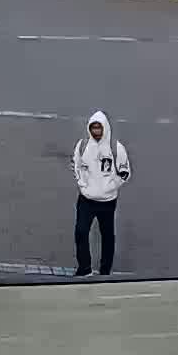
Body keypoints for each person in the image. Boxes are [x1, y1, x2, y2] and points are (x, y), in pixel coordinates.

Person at [70, 110, 130, 277]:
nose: (96, 132)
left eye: (99, 128)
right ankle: (84, 268)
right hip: (86, 200)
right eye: (93, 128)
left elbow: (125, 173)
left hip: (107, 201)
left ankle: (105, 271)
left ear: (105, 129)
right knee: (81, 232)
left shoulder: (116, 148)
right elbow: (76, 166)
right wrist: (83, 185)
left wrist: (110, 187)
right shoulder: (83, 146)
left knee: (107, 236)